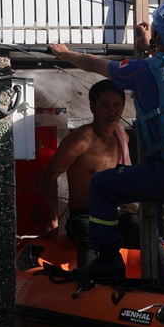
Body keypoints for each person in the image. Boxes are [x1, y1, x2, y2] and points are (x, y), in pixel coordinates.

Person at [46, 0, 164, 285]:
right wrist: (152, 45)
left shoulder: (142, 70)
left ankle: (109, 263)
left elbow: (93, 63)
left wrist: (64, 53)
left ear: (160, 34)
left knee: (102, 186)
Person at [40, 80, 131, 266]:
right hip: (84, 215)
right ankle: (88, 290)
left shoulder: (123, 136)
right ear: (92, 107)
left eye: (116, 106)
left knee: (150, 235)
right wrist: (53, 220)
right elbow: (50, 174)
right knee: (91, 238)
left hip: (117, 212)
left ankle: (161, 289)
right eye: (104, 106)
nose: (111, 112)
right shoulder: (81, 138)